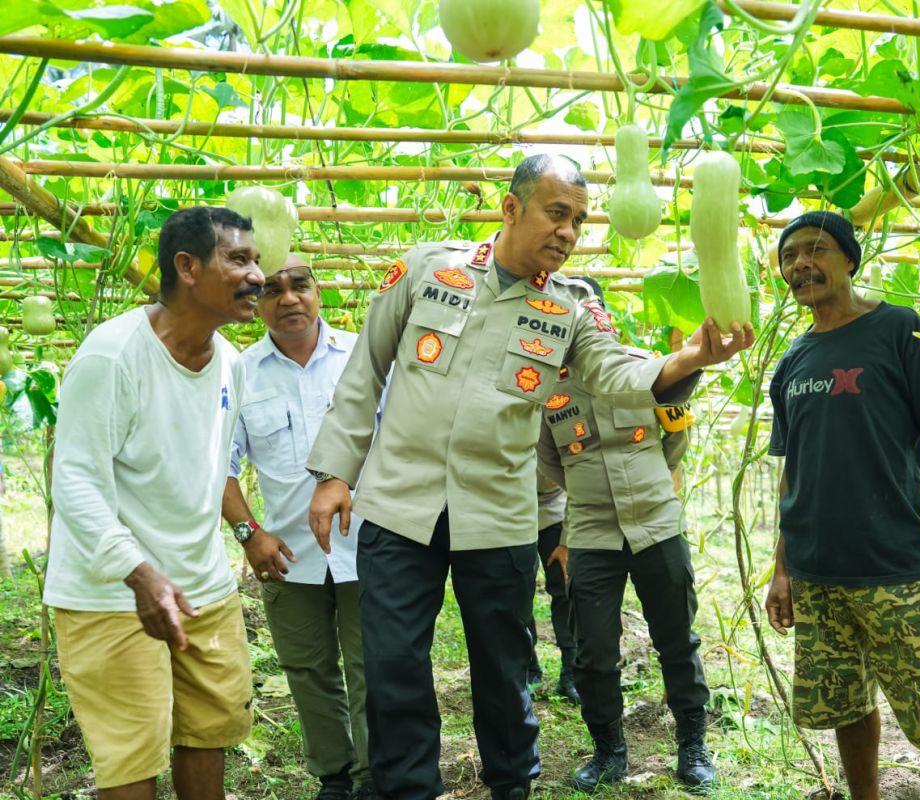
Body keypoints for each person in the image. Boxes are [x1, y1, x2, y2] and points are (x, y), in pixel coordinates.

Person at [305, 154, 753, 800]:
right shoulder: (430, 268)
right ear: (510, 208)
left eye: (578, 221)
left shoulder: (571, 310)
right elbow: (365, 371)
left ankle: (511, 787)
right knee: (394, 666)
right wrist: (334, 473)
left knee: (504, 670)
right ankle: (406, 789)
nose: (569, 233)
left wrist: (688, 357)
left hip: (499, 519)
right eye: (557, 213)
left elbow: (617, 373)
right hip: (400, 508)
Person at [43, 206, 264, 799]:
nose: (258, 275)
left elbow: (212, 469)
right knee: (131, 759)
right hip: (111, 594)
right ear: (187, 267)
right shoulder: (112, 355)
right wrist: (140, 574)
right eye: (239, 259)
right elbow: (76, 481)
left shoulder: (230, 363)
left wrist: (243, 537)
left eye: (257, 260)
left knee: (208, 733)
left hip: (203, 590)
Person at [762, 211, 920, 800]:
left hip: (892, 564)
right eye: (790, 256)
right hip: (815, 573)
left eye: (818, 249)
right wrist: (782, 569)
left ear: (850, 260)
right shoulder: (792, 363)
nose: (802, 264)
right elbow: (793, 475)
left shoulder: (899, 329)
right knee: (846, 704)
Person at [536, 282, 715, 794]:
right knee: (593, 649)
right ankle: (609, 752)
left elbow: (675, 436)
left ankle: (693, 747)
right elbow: (550, 460)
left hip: (656, 526)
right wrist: (595, 493)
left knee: (677, 640)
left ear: (602, 317)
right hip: (591, 533)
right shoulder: (549, 387)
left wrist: (646, 488)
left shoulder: (647, 367)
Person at [221, 254, 372, 800]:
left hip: (370, 546)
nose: (288, 298)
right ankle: (334, 775)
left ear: (318, 293)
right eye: (271, 290)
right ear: (253, 303)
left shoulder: (363, 358)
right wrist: (248, 533)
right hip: (284, 552)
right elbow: (219, 465)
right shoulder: (238, 373)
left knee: (371, 667)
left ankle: (373, 778)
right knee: (308, 671)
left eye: (299, 285)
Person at [527, 474, 579, 703]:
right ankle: (527, 670)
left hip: (557, 508)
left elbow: (578, 478)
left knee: (565, 586)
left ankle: (571, 673)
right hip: (509, 510)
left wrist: (566, 539)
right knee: (516, 590)